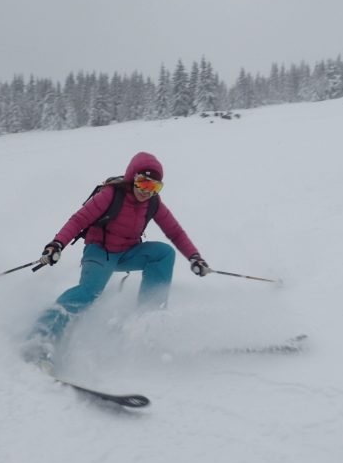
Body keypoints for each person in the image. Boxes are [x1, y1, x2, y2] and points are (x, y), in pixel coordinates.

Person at [24, 151, 209, 362]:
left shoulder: (153, 203)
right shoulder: (111, 195)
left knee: (163, 254)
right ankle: (40, 337)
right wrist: (56, 245)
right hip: (100, 252)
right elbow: (78, 220)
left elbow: (175, 232)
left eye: (154, 187)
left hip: (128, 252)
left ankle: (148, 324)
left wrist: (195, 257)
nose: (146, 191)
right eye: (142, 183)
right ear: (132, 178)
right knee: (90, 291)